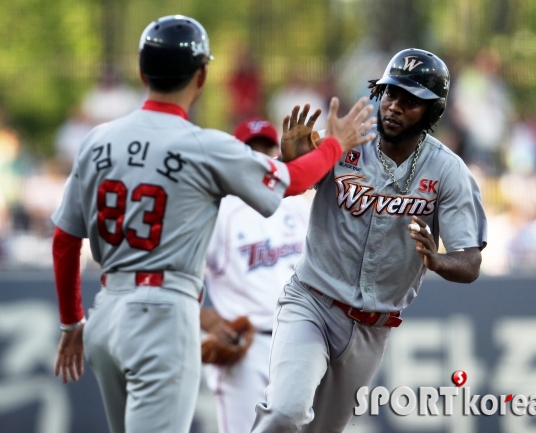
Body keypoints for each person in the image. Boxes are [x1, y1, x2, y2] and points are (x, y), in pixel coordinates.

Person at [50, 14, 376, 433]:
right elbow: (292, 182)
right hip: (162, 314)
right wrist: (337, 143)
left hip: (106, 313)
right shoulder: (203, 146)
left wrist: (71, 321)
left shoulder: (97, 139)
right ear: (202, 76)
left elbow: (63, 239)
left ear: (140, 71)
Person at [250, 48, 488, 433]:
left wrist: (439, 260)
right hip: (312, 301)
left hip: (371, 328)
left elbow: (470, 262)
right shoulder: (347, 140)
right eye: (391, 93)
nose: (394, 106)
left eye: (411, 102)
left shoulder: (449, 171)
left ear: (433, 112)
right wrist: (290, 160)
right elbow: (288, 185)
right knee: (285, 413)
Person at [200, 117, 310, 433]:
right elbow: (175, 270)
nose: (260, 156)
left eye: (266, 147)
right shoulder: (220, 211)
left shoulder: (296, 206)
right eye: (251, 149)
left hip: (300, 345)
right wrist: (202, 317)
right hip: (245, 350)